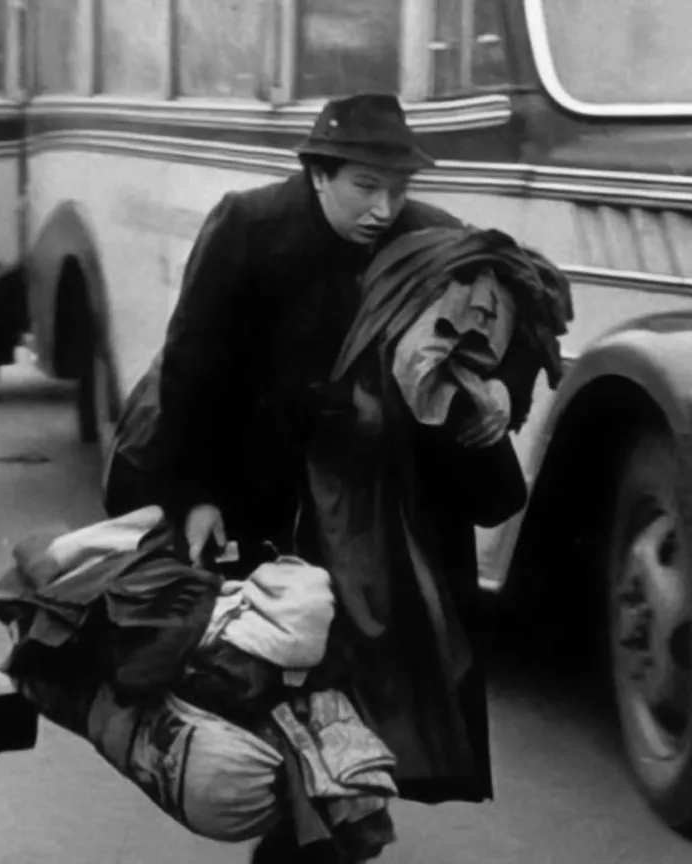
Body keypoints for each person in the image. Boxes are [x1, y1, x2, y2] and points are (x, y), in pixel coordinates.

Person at [147, 93, 524, 862]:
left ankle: (326, 830)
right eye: (364, 186)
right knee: (292, 687)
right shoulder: (250, 228)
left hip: (393, 518)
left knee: (373, 688)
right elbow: (190, 369)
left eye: (398, 187)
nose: (385, 208)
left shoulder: (437, 242)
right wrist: (195, 497)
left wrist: (503, 386)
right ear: (318, 173)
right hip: (278, 508)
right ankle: (319, 835)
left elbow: (508, 330)